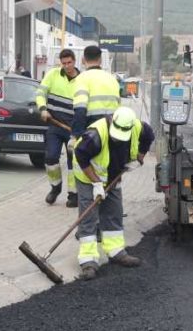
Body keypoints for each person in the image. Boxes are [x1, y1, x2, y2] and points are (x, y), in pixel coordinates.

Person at [71, 106, 154, 280]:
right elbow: (80, 155)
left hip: (113, 175)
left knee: (114, 212)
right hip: (87, 176)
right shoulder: (95, 135)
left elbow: (149, 136)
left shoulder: (138, 127)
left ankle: (115, 251)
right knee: (89, 217)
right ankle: (88, 260)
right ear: (112, 122)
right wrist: (96, 183)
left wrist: (139, 157)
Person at [35, 49, 81, 207]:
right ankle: (55, 188)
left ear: (75, 61)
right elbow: (40, 93)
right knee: (50, 158)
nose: (67, 66)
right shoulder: (53, 75)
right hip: (54, 125)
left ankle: (73, 195)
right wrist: (42, 108)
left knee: (72, 162)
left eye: (69, 62)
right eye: (64, 63)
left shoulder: (82, 80)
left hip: (73, 130)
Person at [70, 45, 120, 141]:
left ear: (83, 59)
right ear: (100, 60)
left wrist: (76, 136)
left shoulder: (82, 78)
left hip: (92, 129)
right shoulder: (112, 79)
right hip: (112, 128)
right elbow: (118, 107)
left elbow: (80, 110)